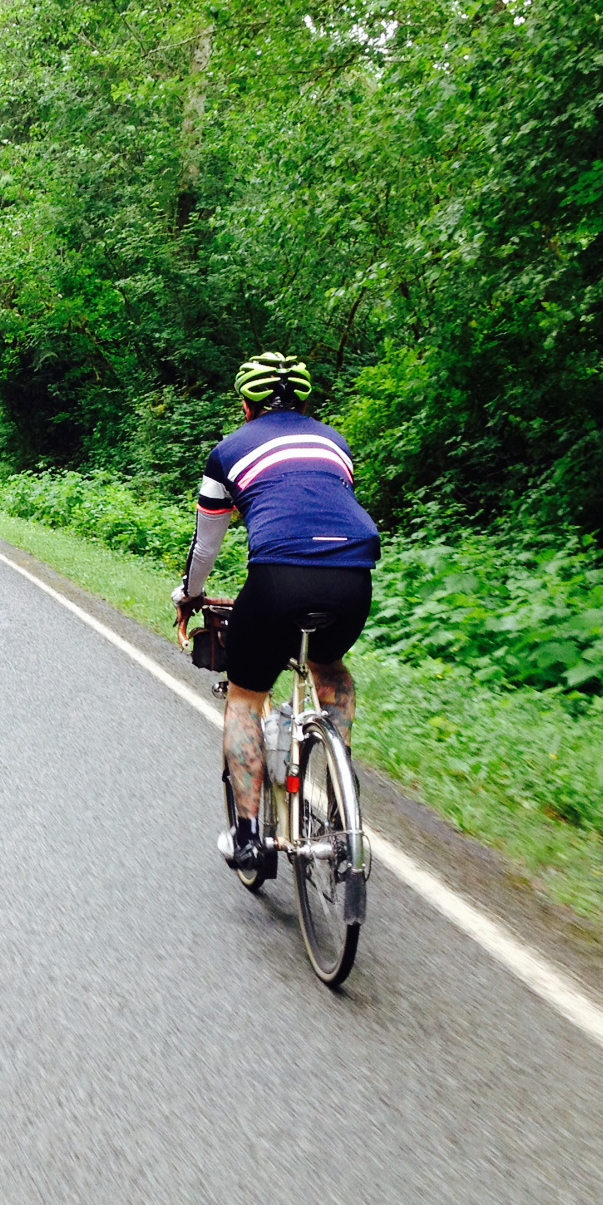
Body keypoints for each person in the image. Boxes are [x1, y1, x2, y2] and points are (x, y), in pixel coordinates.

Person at [172, 353, 380, 875]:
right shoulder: (336, 443)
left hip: (278, 577)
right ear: (304, 402)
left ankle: (246, 835)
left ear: (247, 405)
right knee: (330, 669)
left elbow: (205, 549)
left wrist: (188, 596)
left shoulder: (228, 452)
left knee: (246, 693)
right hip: (353, 575)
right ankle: (339, 793)